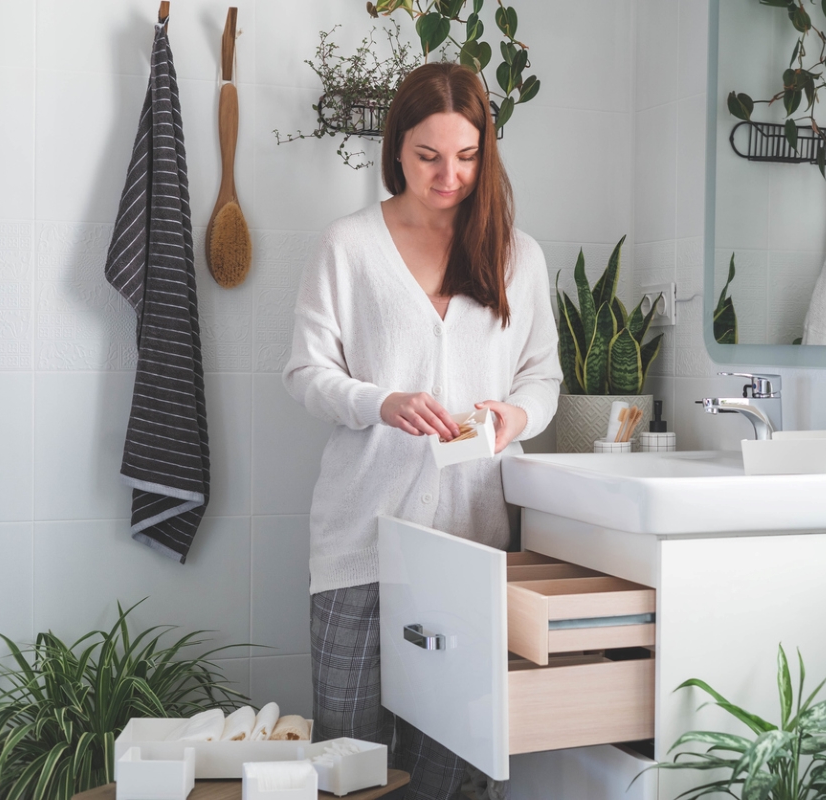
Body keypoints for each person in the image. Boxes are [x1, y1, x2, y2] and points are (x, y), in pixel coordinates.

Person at [282, 61, 561, 799]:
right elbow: (305, 375)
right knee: (348, 760)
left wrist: (516, 415)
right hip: (360, 542)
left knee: (456, 762)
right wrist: (382, 402)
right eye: (429, 156)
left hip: (469, 546)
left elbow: (544, 377)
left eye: (467, 156)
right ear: (396, 149)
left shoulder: (516, 255)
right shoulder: (347, 247)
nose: (449, 176)